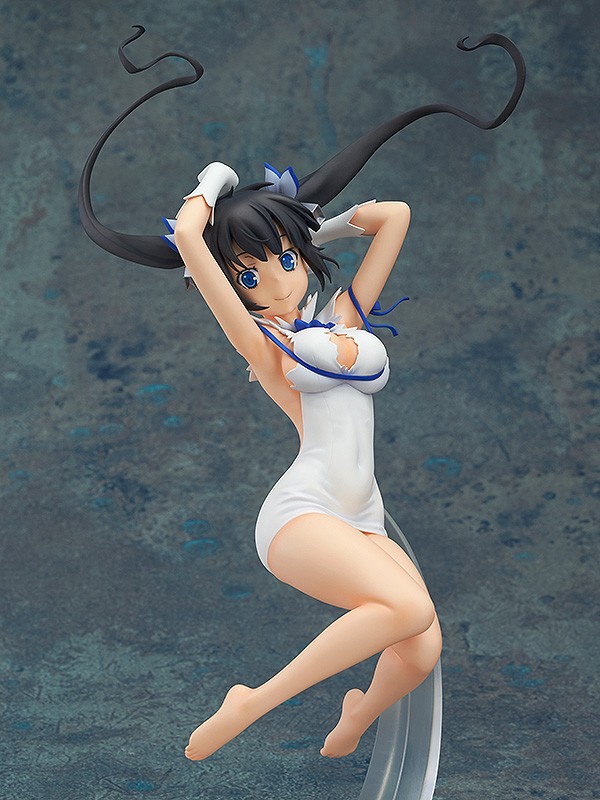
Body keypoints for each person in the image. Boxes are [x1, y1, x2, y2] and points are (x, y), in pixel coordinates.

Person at [78, 26, 525, 762]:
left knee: (422, 643)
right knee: (406, 605)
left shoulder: (340, 319)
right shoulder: (263, 343)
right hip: (303, 514)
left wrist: (318, 226)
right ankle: (251, 701)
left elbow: (394, 215)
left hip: (363, 515)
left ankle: (356, 717)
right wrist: (214, 180)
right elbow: (189, 236)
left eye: (283, 260)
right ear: (235, 288)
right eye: (250, 274)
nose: (278, 280)